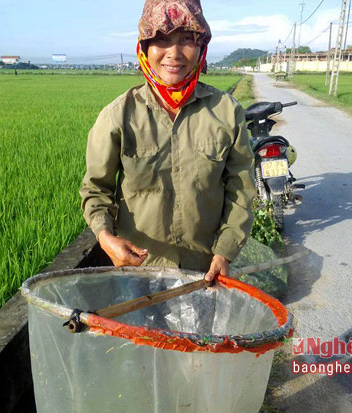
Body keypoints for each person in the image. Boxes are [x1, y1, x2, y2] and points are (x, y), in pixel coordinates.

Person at [80, 0, 255, 282]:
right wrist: (104, 236)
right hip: (137, 272)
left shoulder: (226, 112)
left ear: (201, 47)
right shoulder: (118, 115)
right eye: (162, 39)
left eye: (186, 39)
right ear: (145, 48)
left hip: (205, 270)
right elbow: (96, 189)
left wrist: (225, 251)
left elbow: (241, 189)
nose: (174, 53)